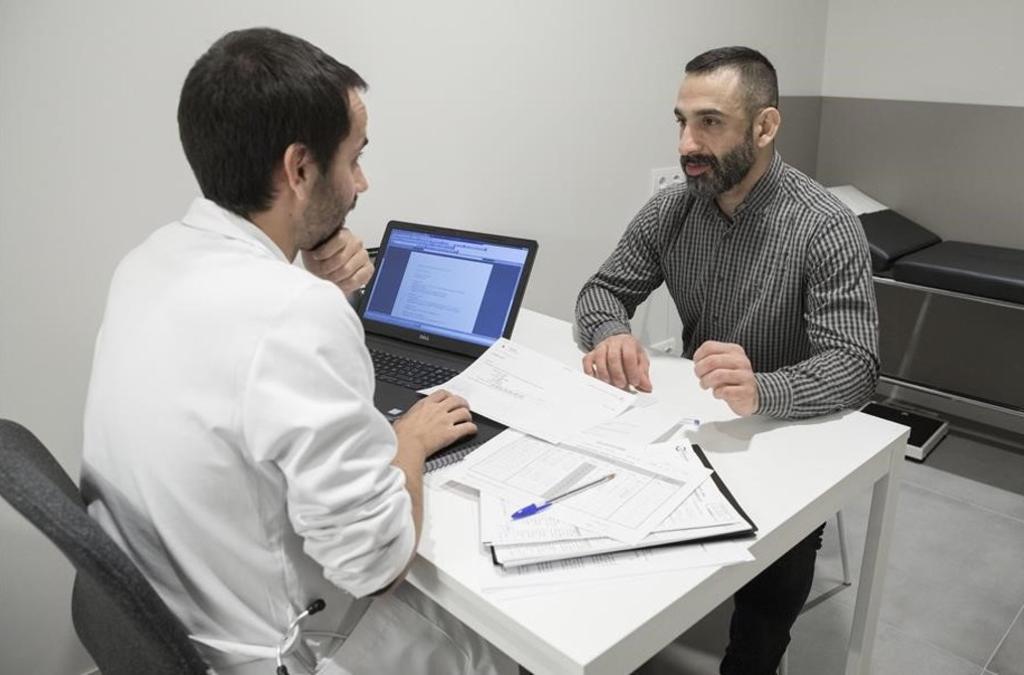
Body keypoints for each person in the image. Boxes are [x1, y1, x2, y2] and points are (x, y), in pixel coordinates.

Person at [81, 28, 505, 674]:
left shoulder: (147, 261)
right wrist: (410, 440)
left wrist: (307, 277)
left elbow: (244, 364)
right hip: (275, 650)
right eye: (355, 157)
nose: (362, 182)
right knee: (500, 648)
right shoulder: (294, 314)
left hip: (174, 615)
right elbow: (376, 565)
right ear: (299, 169)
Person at [575, 46, 879, 674]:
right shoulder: (674, 207)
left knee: (770, 592)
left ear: (764, 127)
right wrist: (610, 333)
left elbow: (856, 364)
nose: (688, 143)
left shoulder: (824, 227)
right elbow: (602, 291)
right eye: (682, 122)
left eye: (710, 123)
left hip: (791, 440)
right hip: (693, 427)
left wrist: (765, 389)